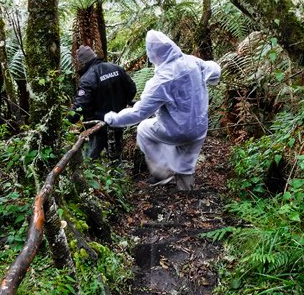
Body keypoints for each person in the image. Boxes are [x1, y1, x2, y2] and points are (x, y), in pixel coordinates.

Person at [103, 30, 221, 190]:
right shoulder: (193, 62)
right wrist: (213, 77)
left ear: (153, 55)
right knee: (186, 165)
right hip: (199, 129)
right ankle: (186, 194)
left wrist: (113, 119)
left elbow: (139, 113)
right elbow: (214, 70)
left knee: (144, 129)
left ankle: (162, 172)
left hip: (177, 131)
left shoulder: (160, 81)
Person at [69, 45, 137, 160]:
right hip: (118, 120)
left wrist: (69, 119)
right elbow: (132, 90)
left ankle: (92, 177)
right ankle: (117, 175)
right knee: (116, 156)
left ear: (82, 62)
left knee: (90, 160)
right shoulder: (116, 68)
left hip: (97, 126)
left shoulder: (87, 78)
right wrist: (121, 105)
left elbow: (81, 106)